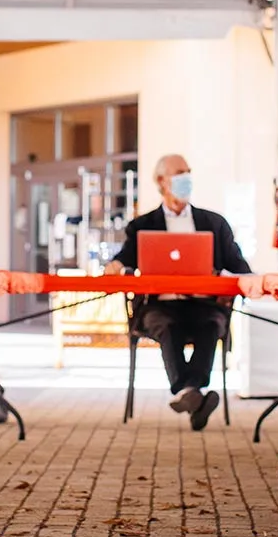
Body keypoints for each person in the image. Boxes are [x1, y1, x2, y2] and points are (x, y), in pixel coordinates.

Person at [104, 154, 252, 430]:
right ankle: (194, 394)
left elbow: (241, 268)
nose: (187, 177)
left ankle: (187, 394)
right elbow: (124, 258)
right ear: (162, 181)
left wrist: (229, 278)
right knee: (165, 325)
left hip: (205, 305)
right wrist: (114, 265)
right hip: (159, 306)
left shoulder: (215, 223)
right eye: (179, 172)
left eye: (188, 171)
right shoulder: (142, 226)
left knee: (212, 324)